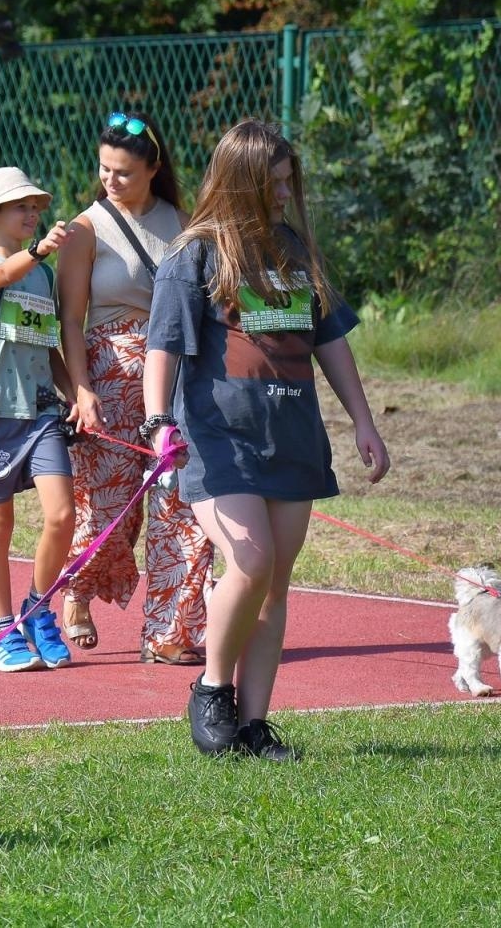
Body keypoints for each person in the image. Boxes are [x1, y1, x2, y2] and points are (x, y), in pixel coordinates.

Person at [142, 119, 390, 759]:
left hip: (293, 435)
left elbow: (330, 341)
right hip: (219, 439)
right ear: (242, 182)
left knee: (275, 583)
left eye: (289, 182)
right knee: (248, 563)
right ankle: (211, 692)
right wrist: (157, 424)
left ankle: (253, 725)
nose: (284, 194)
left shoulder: (295, 252)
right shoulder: (193, 253)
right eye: (273, 183)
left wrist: (363, 420)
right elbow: (162, 346)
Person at [56, 110, 213, 664]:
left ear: (153, 168)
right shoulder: (84, 228)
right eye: (103, 169)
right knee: (109, 508)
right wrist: (81, 388)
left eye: (123, 171)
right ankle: (78, 591)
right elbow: (70, 321)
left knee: (181, 502)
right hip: (108, 376)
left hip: (173, 376)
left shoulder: (185, 221)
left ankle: (172, 631)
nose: (110, 180)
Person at [0, 167, 75, 673]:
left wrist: (76, 394)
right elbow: (3, 276)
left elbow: (48, 344)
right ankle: (1, 631)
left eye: (35, 205)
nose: (32, 212)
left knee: (62, 515)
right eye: (20, 205)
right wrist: (42, 250)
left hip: (41, 410)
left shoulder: (43, 275)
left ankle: (37, 609)